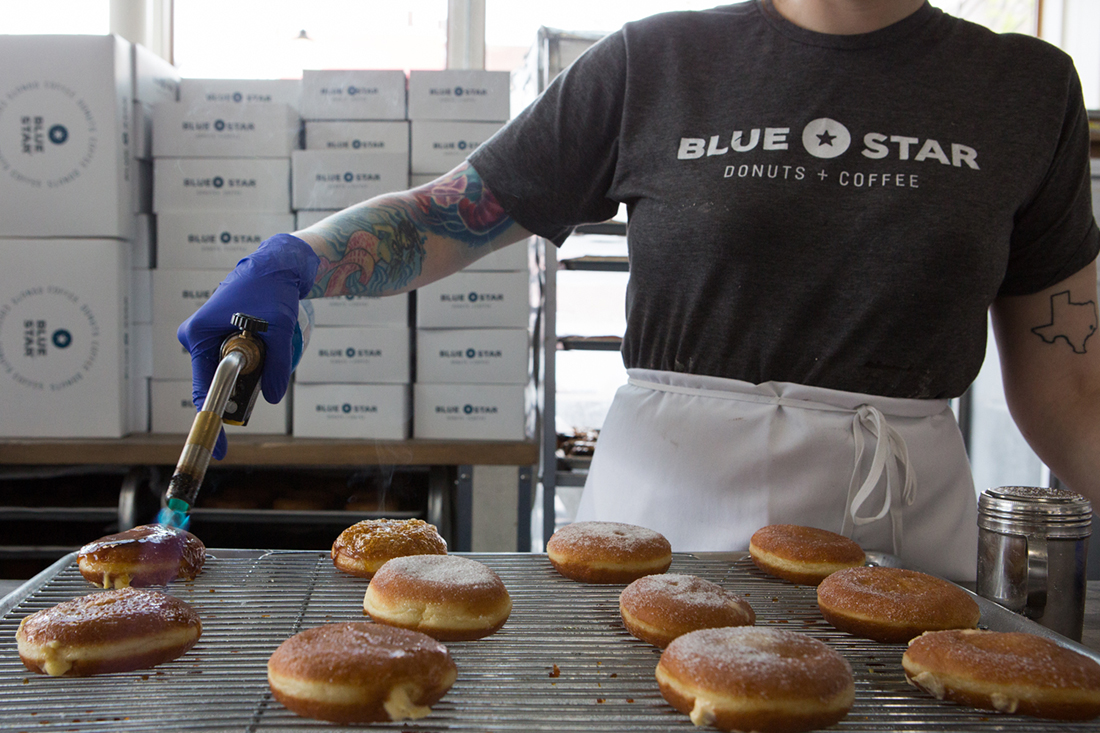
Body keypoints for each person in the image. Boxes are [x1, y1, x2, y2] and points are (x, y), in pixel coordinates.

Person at [179, 0, 1100, 581]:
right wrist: (300, 258)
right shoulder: (654, 63)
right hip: (659, 527)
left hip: (898, 536)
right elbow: (450, 213)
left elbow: (1072, 391)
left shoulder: (1025, 88)